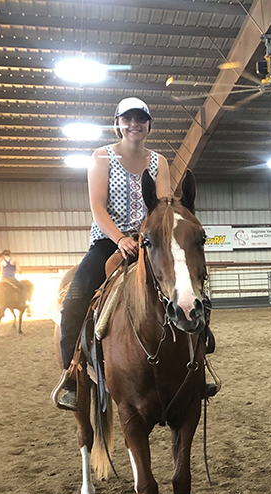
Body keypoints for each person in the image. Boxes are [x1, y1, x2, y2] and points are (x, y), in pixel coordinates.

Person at [54, 97, 172, 410]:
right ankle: (71, 374)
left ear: (148, 125)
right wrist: (120, 238)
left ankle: (199, 363)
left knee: (185, 287)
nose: (135, 124)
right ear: (118, 122)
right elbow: (97, 207)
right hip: (108, 241)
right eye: (128, 118)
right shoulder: (101, 157)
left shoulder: (160, 161)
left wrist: (147, 237)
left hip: (148, 241)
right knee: (75, 300)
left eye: (141, 119)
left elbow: (161, 207)